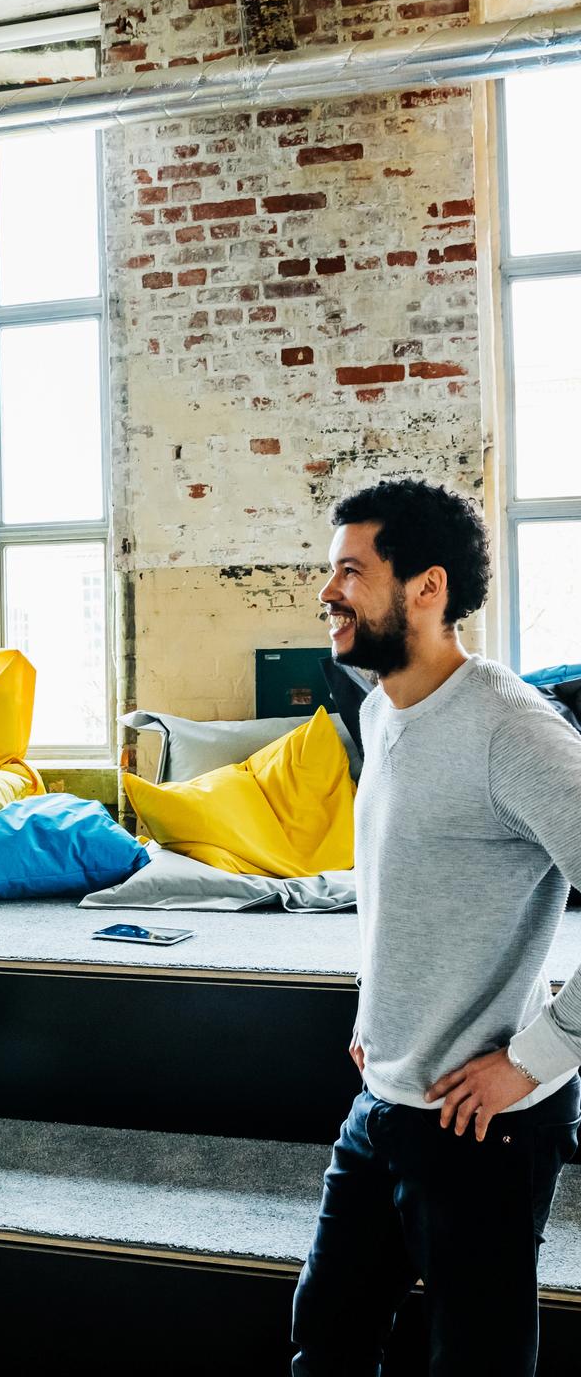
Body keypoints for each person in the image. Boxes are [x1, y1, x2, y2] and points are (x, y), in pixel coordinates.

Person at [291, 480, 581, 1375]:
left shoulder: (513, 731)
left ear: (427, 587)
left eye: (351, 570)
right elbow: (407, 882)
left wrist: (533, 1059)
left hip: (482, 1125)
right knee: (325, 1337)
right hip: (383, 1101)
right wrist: (376, 1015)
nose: (329, 592)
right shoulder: (380, 708)